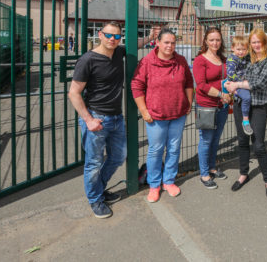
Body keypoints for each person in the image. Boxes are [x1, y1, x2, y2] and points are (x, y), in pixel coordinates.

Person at [68, 21, 155, 218]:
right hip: (96, 119)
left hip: (116, 118)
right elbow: (73, 93)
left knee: (118, 156)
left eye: (117, 36)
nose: (112, 39)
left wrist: (150, 37)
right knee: (94, 162)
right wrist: (89, 120)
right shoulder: (88, 60)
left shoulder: (118, 52)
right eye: (109, 35)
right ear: (100, 35)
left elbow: (137, 44)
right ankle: (95, 200)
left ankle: (99, 189)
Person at [131, 28, 194, 203]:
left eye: (173, 43)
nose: (170, 46)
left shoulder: (180, 60)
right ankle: (154, 184)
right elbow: (136, 86)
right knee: (156, 151)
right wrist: (144, 110)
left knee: (174, 148)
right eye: (166, 42)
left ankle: (169, 181)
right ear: (157, 42)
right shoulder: (147, 62)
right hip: (155, 116)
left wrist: (189, 102)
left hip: (178, 114)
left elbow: (189, 82)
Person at [225, 28, 267, 198]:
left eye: (258, 42)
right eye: (253, 42)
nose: (256, 45)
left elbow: (261, 83)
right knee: (242, 141)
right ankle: (243, 174)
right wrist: (231, 84)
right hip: (241, 104)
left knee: (259, 145)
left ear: (264, 42)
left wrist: (237, 85)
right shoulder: (249, 58)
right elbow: (235, 75)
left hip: (259, 106)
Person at [193, 27, 231, 190]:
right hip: (206, 106)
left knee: (216, 139)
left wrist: (229, 93)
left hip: (222, 106)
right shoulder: (200, 60)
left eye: (218, 40)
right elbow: (201, 85)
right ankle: (204, 173)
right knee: (206, 139)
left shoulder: (223, 59)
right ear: (206, 41)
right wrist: (221, 94)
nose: (215, 43)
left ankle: (212, 167)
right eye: (212, 40)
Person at [226, 36, 253, 135]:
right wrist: (240, 83)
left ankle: (237, 94)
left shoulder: (243, 57)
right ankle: (245, 120)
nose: (241, 52)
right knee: (247, 97)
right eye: (238, 49)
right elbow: (230, 74)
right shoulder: (232, 59)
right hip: (237, 84)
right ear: (232, 48)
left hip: (241, 83)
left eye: (244, 49)